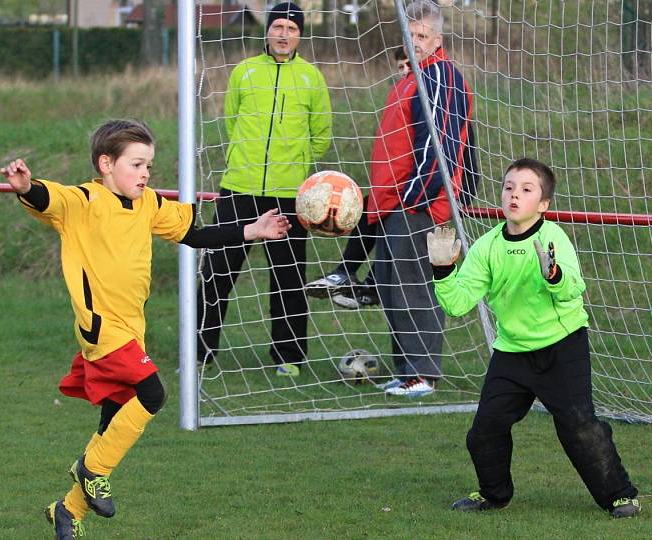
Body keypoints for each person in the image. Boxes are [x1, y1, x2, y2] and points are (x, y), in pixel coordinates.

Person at [0, 118, 291, 540]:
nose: (145, 173)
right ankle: (89, 468)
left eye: (149, 165)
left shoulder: (150, 203)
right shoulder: (83, 199)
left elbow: (195, 233)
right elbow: (45, 196)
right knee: (153, 393)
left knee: (112, 424)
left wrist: (253, 231)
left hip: (130, 330)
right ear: (106, 164)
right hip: (102, 331)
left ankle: (67, 508)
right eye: (136, 164)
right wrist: (25, 187)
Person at [429, 157, 640, 518]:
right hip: (512, 352)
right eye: (509, 187)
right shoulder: (487, 246)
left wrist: (553, 274)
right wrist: (443, 270)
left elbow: (574, 290)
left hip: (562, 345)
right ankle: (494, 495)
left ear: (543, 205)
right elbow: (458, 304)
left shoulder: (553, 238)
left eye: (526, 190)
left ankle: (621, 496)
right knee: (484, 431)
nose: (514, 195)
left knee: (578, 427)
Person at [196, 2, 333, 377]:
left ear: (300, 34)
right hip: (239, 188)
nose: (283, 34)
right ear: (267, 31)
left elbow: (321, 135)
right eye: (278, 27)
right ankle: (201, 352)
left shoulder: (311, 78)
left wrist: (297, 163)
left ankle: (288, 357)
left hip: (288, 194)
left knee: (287, 277)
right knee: (217, 271)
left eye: (291, 27)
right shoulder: (244, 72)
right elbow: (232, 121)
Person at [368, 0, 475, 398]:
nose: (415, 42)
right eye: (409, 36)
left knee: (415, 289)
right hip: (394, 203)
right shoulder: (411, 77)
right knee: (392, 287)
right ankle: (405, 369)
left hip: (418, 206)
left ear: (437, 39)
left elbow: (441, 150)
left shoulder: (442, 77)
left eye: (422, 36)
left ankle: (422, 374)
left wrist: (413, 199)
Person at [304, 46, 412, 311]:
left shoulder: (437, 96)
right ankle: (348, 274)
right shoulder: (399, 98)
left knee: (395, 220)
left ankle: (371, 285)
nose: (405, 71)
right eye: (400, 67)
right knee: (370, 207)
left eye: (410, 65)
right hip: (400, 187)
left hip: (427, 192)